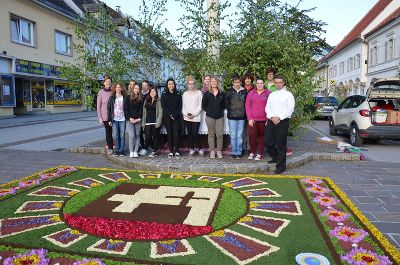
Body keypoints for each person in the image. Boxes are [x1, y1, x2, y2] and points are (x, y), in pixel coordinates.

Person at [265, 75, 295, 174]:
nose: (278, 84)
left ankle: (281, 166)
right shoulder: (271, 94)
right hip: (271, 120)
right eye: (276, 82)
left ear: (283, 83)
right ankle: (276, 157)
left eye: (280, 82)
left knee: (281, 144)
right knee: (268, 142)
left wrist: (279, 117)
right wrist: (272, 117)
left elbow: (290, 109)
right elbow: (267, 108)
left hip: (282, 121)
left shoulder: (288, 94)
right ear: (274, 83)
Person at [245, 77, 270, 161]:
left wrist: (268, 118)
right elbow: (247, 106)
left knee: (262, 137)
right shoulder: (251, 93)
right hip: (253, 120)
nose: (259, 85)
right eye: (258, 83)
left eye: (261, 83)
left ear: (264, 84)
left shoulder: (268, 93)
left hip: (264, 120)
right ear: (256, 84)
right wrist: (249, 118)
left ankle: (260, 153)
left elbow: (271, 107)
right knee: (252, 136)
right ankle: (252, 152)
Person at [202, 77, 225, 158]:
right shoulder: (207, 93)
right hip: (210, 117)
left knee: (219, 135)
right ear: (210, 82)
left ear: (217, 82)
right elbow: (203, 105)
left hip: (219, 117)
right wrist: (210, 111)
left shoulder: (222, 93)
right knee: (211, 134)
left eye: (215, 81)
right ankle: (212, 151)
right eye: (212, 81)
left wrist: (219, 111)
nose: (214, 82)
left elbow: (224, 105)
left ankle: (218, 151)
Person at [225, 75, 247, 158]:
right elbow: (226, 103)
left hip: (241, 116)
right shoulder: (229, 91)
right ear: (233, 83)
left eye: (238, 82)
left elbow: (246, 104)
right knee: (233, 135)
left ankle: (239, 151)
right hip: (232, 117)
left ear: (240, 82)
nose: (237, 84)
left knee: (240, 136)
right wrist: (231, 110)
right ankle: (234, 151)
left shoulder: (244, 91)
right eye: (235, 82)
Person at [182, 76, 204, 156]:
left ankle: (200, 148)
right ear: (187, 85)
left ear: (195, 84)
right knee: (190, 133)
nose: (191, 85)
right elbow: (183, 106)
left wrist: (193, 114)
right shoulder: (184, 94)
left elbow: (200, 105)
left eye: (192, 84)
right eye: (189, 84)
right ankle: (191, 149)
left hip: (196, 117)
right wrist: (186, 114)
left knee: (195, 133)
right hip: (187, 117)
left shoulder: (199, 93)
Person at [161, 78, 182, 157]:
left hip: (177, 117)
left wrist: (175, 115)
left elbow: (180, 105)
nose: (171, 85)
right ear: (167, 85)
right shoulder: (164, 94)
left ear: (174, 85)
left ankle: (176, 150)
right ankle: (171, 151)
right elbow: (164, 106)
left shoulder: (178, 94)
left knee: (176, 133)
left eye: (172, 84)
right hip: (167, 116)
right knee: (169, 133)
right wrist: (170, 115)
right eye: (169, 84)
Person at [107, 82, 128, 156]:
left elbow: (127, 108)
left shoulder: (125, 97)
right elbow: (109, 110)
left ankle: (121, 150)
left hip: (123, 119)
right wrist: (109, 120)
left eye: (119, 87)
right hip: (114, 119)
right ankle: (117, 150)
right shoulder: (112, 97)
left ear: (122, 88)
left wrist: (127, 117)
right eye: (117, 87)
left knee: (122, 135)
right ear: (114, 89)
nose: (118, 89)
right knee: (115, 135)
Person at [142, 87, 163, 158]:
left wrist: (158, 122)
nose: (152, 93)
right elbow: (144, 113)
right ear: (149, 92)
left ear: (156, 92)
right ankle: (155, 148)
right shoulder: (146, 100)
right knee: (148, 137)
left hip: (155, 122)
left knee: (155, 137)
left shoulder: (158, 100)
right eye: (151, 91)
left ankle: (155, 151)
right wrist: (143, 123)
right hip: (148, 122)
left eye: (154, 91)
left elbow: (160, 112)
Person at [124, 83, 143, 158]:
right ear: (133, 89)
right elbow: (125, 109)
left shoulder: (141, 99)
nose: (137, 90)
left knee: (137, 135)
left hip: (138, 120)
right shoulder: (128, 98)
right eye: (135, 88)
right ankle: (131, 151)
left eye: (138, 89)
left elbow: (141, 110)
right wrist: (130, 118)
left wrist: (138, 119)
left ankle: (135, 151)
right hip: (129, 120)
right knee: (132, 135)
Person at [97, 76, 113, 155]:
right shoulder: (101, 92)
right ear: (104, 83)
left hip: (114, 116)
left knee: (115, 132)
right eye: (107, 82)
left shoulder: (113, 91)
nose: (108, 83)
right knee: (108, 132)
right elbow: (98, 106)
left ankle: (113, 144)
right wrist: (100, 118)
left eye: (109, 82)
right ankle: (110, 147)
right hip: (105, 117)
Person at [138, 80, 150, 156]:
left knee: (147, 133)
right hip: (140, 116)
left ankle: (146, 147)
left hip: (148, 116)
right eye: (143, 85)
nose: (144, 86)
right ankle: (143, 146)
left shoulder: (150, 94)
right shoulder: (140, 94)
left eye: (145, 85)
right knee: (139, 133)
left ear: (148, 86)